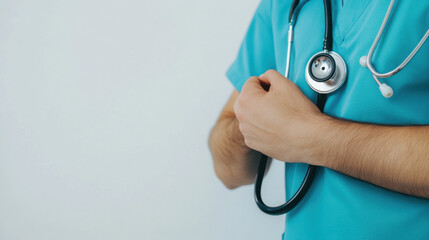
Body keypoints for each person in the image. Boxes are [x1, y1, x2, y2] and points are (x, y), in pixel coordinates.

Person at [208, 0, 429, 239]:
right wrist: (253, 121)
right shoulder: (282, 5)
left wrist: (311, 136)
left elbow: (302, 135)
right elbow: (229, 171)